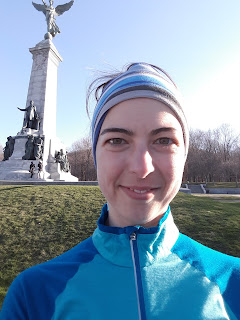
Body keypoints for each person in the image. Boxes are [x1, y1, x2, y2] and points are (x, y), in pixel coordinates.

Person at [0, 63, 239, 319]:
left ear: (184, 156)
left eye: (164, 140)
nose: (141, 168)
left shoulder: (233, 283)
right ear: (95, 156)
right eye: (117, 140)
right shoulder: (33, 296)